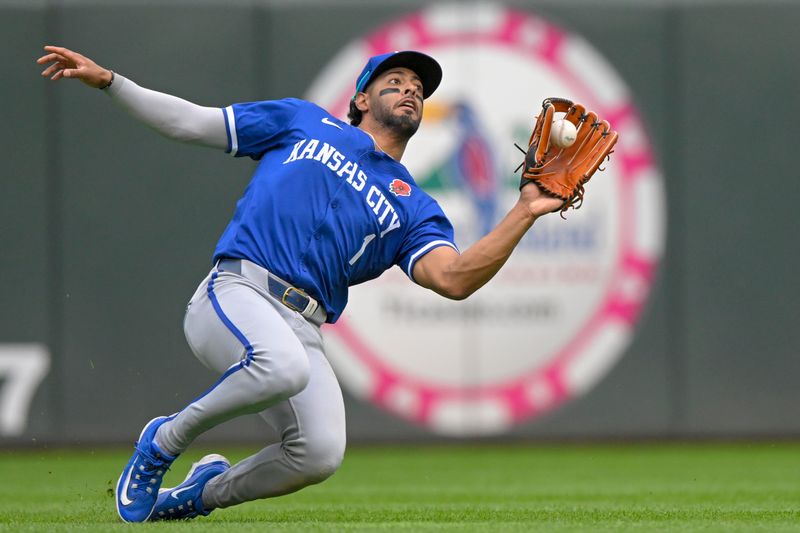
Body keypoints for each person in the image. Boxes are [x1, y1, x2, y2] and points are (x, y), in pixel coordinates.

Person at [37, 45, 564, 522]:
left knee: (318, 453)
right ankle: (162, 441)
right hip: (235, 292)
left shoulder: (415, 206)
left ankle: (197, 495)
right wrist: (111, 80)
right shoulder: (303, 121)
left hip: (303, 322)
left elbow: (452, 279)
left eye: (419, 90)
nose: (411, 91)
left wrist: (524, 211)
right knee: (282, 366)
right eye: (396, 81)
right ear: (360, 97)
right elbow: (192, 123)